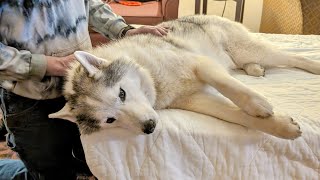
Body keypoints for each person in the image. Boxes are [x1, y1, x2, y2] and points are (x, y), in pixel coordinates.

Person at [0, 0, 168, 179]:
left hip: (90, 93)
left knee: (93, 163)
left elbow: (90, 2)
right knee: (48, 171)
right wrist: (49, 65)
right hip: (30, 96)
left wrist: (124, 30)